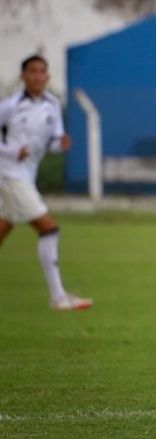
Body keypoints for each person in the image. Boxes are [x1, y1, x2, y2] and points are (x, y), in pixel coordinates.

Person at [0, 55, 93, 311]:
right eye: (32, 71)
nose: (38, 76)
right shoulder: (10, 106)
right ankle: (58, 297)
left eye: (42, 72)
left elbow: (53, 141)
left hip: (27, 175)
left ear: (48, 77)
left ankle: (59, 297)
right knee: (48, 228)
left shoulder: (53, 105)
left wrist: (60, 145)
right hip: (9, 174)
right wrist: (9, 152)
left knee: (3, 227)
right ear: (23, 76)